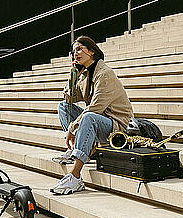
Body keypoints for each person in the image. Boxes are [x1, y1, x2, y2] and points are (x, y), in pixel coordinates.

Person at [51, 35, 134, 194]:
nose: (76, 53)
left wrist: (72, 128)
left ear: (92, 51)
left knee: (88, 117)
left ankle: (75, 176)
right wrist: (73, 74)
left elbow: (95, 108)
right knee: (63, 107)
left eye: (80, 49)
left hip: (117, 126)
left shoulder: (104, 74)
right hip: (99, 120)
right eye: (74, 51)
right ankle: (78, 149)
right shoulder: (85, 74)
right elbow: (70, 98)